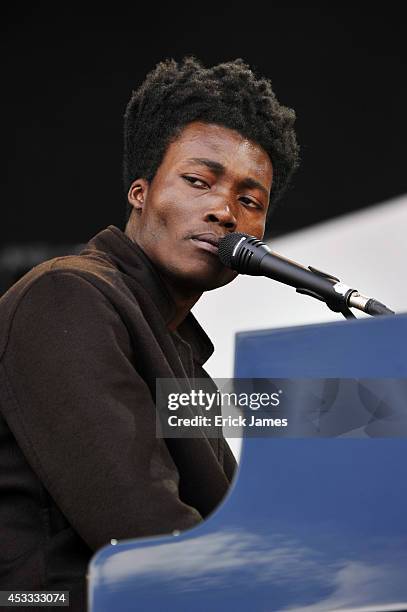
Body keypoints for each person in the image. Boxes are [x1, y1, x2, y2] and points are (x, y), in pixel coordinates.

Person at [0, 56, 299, 610]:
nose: (223, 211)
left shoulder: (188, 366)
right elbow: (144, 527)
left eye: (249, 201)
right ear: (140, 192)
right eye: (198, 181)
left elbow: (226, 525)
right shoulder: (67, 295)